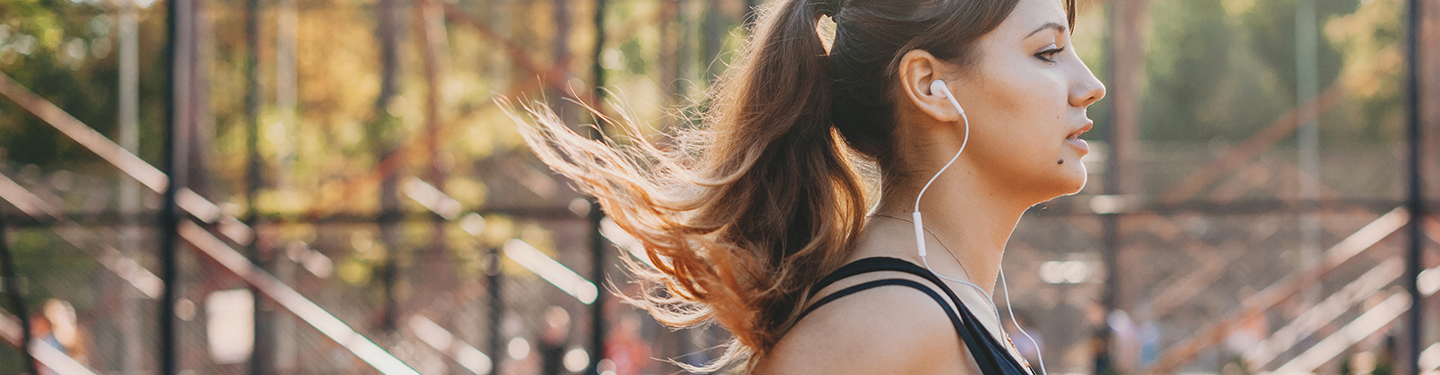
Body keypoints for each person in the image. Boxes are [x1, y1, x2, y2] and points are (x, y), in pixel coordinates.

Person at [514, 0, 1104, 373]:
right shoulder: (886, 325)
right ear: (929, 86)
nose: (1090, 84)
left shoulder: (930, 303)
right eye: (1048, 51)